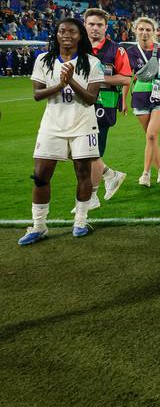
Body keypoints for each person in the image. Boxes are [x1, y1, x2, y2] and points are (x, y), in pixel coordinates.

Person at [20, 18, 104, 246]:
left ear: (80, 36)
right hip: (51, 126)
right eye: (62, 31)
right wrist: (59, 85)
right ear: (56, 35)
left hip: (83, 125)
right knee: (40, 176)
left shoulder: (92, 63)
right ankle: (39, 225)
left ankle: (80, 221)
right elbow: (37, 95)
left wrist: (71, 82)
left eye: (72, 31)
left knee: (83, 174)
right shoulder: (43, 60)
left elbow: (91, 99)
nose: (66, 34)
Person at [80, 8, 129, 211]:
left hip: (104, 105)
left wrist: (97, 79)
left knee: (92, 151)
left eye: (99, 25)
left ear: (106, 27)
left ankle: (92, 196)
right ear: (85, 25)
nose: (95, 28)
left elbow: (126, 78)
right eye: (91, 24)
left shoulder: (115, 50)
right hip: (81, 104)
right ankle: (110, 175)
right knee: (81, 151)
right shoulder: (77, 48)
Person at [124, 17, 160, 186]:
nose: (144, 32)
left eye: (148, 29)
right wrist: (123, 100)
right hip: (140, 95)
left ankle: (145, 174)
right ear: (135, 31)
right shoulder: (130, 52)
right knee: (151, 138)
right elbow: (127, 77)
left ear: (154, 32)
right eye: (141, 29)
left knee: (152, 134)